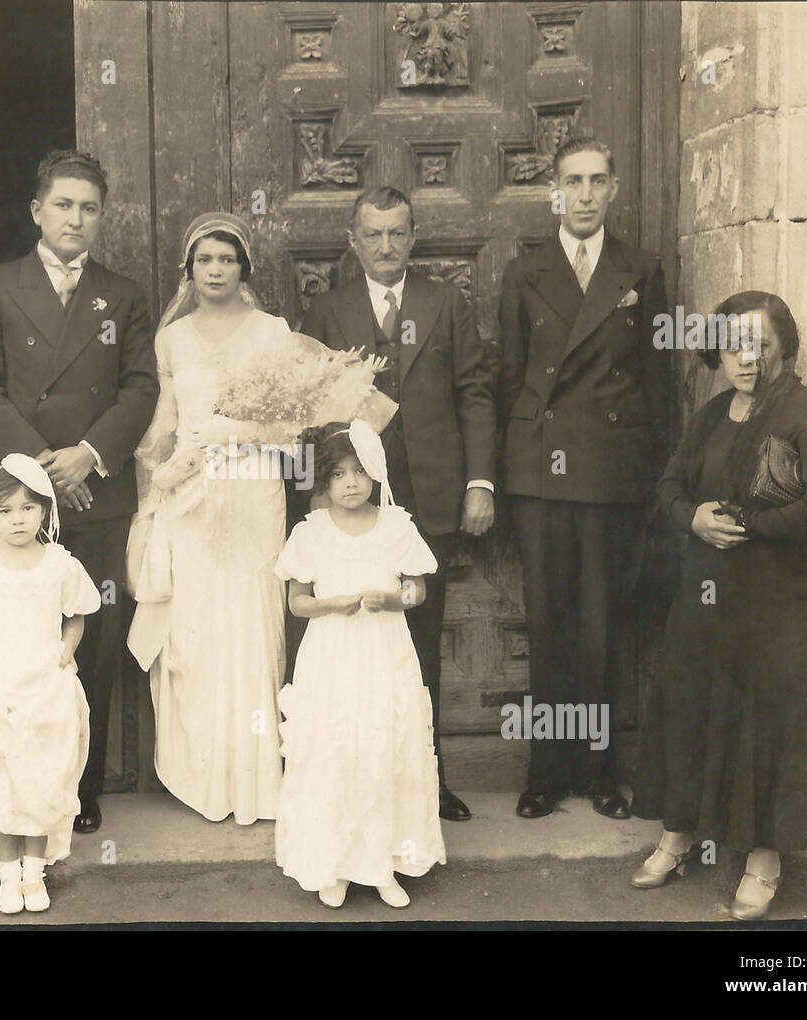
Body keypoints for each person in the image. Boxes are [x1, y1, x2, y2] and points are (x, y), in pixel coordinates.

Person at [629, 291, 807, 920]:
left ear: (783, 349)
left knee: (769, 720)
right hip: (706, 594)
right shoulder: (712, 415)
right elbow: (670, 485)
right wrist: (693, 517)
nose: (747, 358)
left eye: (760, 344)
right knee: (691, 703)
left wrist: (756, 525)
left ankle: (765, 859)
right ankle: (679, 834)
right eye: (736, 344)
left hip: (782, 602)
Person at [0, 150, 158, 834]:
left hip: (97, 491)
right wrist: (41, 471)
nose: (76, 218)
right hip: (22, 497)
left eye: (89, 207)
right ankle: (13, 781)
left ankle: (82, 783)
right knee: (19, 637)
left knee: (90, 641)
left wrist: (89, 454)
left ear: (101, 217)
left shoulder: (124, 292)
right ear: (37, 210)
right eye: (64, 204)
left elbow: (141, 388)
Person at [299, 186, 498, 822]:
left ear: (414, 238)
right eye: (372, 234)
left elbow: (474, 393)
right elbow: (311, 410)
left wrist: (478, 482)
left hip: (432, 498)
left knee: (417, 644)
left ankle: (425, 781)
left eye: (397, 233)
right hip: (354, 504)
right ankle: (355, 788)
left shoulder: (447, 303)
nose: (385, 246)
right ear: (353, 240)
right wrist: (324, 493)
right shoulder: (327, 310)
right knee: (352, 648)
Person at [496, 137, 671, 821]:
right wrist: (509, 472)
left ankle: (600, 773)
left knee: (602, 628)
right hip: (542, 472)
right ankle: (546, 772)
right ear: (555, 192)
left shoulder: (642, 269)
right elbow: (510, 376)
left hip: (610, 473)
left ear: (616, 188)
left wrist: (659, 483)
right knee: (549, 626)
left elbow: (658, 386)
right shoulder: (524, 271)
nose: (588, 194)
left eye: (600, 180)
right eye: (575, 181)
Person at [126, 212, 293, 824]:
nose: (215, 270)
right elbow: (163, 427)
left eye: (226, 259)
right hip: (192, 501)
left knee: (250, 624)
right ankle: (203, 777)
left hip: (252, 496)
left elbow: (293, 430)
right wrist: (161, 481)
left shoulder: (273, 332)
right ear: (189, 271)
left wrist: (235, 431)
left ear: (243, 268)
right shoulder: (171, 340)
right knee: (197, 632)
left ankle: (254, 781)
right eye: (204, 260)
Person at [275, 420, 445, 909]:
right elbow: (297, 603)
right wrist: (333, 604)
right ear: (322, 482)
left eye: (360, 473)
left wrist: (393, 600)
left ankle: (385, 864)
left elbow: (418, 588)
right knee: (337, 748)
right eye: (338, 475)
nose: (351, 483)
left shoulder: (397, 525)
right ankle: (336, 864)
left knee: (383, 744)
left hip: (384, 651)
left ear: (375, 475)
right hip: (331, 655)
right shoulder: (311, 532)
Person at [0, 454, 101, 913]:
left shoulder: (59, 564)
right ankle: (9, 872)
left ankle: (35, 869)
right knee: (2, 778)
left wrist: (66, 650)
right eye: (5, 511)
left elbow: (77, 615)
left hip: (45, 683)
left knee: (42, 775)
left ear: (46, 511)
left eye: (28, 509)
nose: (17, 520)